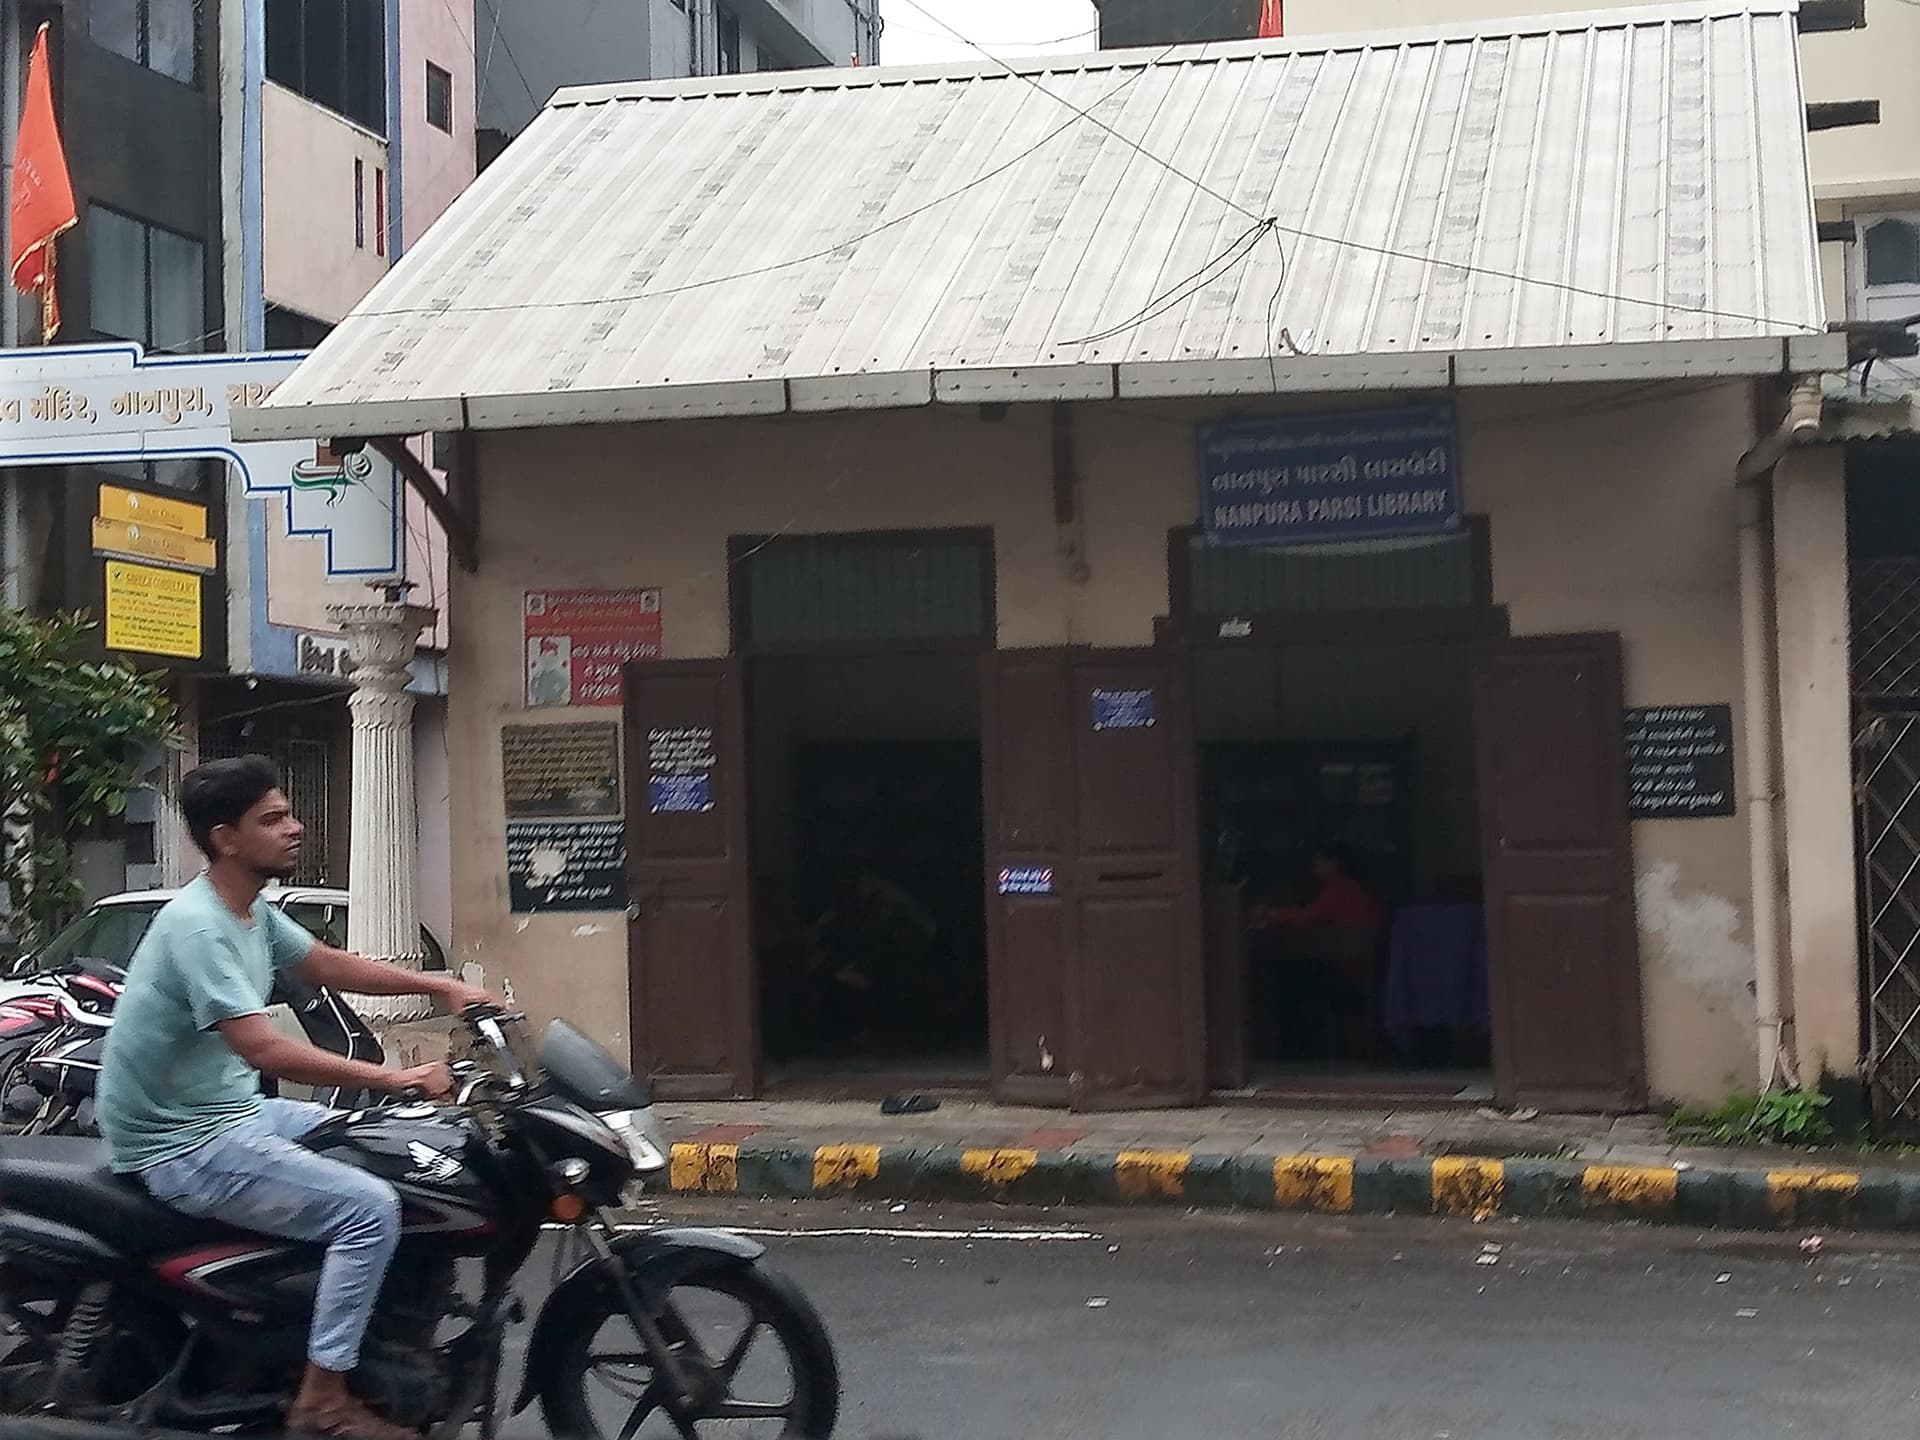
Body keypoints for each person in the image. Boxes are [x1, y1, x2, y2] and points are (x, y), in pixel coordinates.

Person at [96, 756, 498, 1440]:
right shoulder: (201, 927)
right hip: (181, 1142)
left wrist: (444, 985)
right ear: (226, 838)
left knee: (383, 1148)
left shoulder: (249, 910)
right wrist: (400, 1078)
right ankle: (323, 1397)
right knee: (368, 1210)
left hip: (227, 1113)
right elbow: (264, 1049)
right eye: (273, 819)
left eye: (289, 813)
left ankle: (334, 1322)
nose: (295, 828)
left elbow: (326, 964)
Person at [1257, 844, 1386, 931]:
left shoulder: (1340, 889)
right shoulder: (1353, 886)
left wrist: (1270, 914)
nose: (1315, 870)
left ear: (1333, 863)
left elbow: (1306, 917)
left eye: (1318, 864)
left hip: (1349, 962)